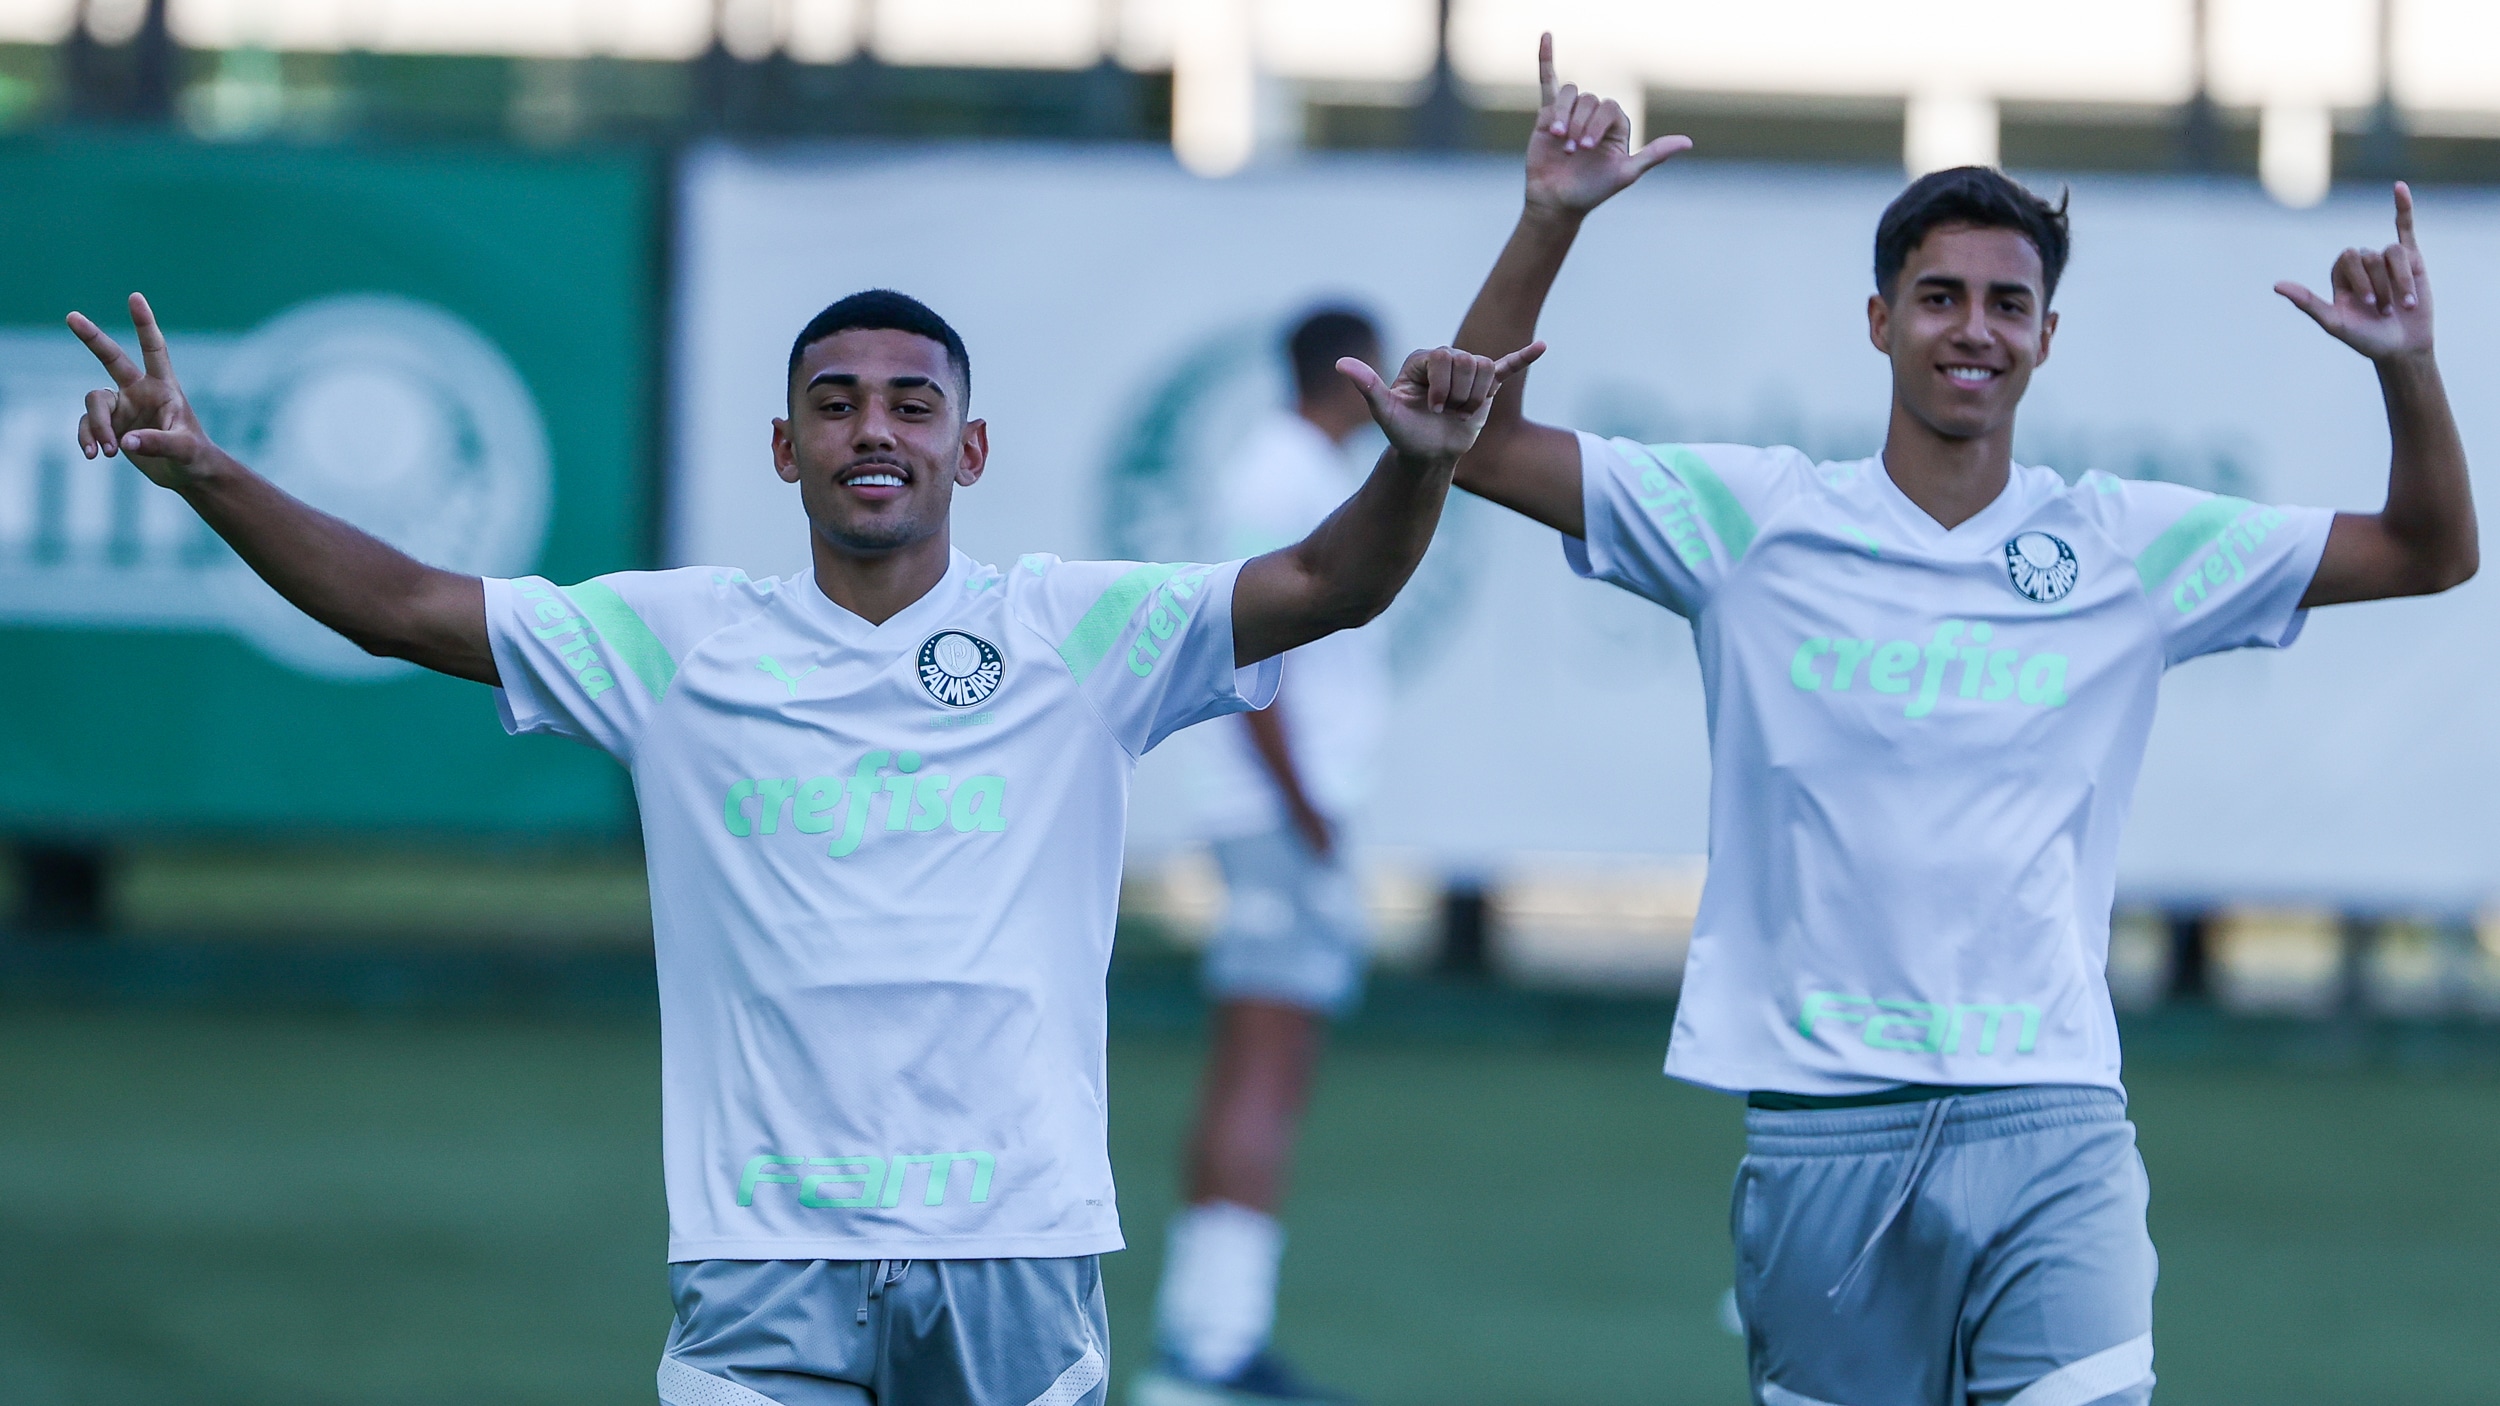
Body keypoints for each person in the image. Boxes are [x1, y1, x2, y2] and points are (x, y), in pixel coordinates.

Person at [66, 286, 1540, 1406]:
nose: (872, 431)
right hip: (762, 1256)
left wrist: (1418, 468)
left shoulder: (1079, 628)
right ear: (785, 447)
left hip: (1015, 1247)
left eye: (910, 404)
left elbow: (1328, 581)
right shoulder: (676, 640)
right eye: (834, 406)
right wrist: (209, 474)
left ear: (968, 446)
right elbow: (404, 605)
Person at [1447, 34, 2473, 1406]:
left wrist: (2407, 366)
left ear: (2047, 335)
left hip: (2053, 1117)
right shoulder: (1751, 521)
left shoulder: (2124, 543)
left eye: (2007, 302)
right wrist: (1548, 218)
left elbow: (2428, 548)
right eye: (1939, 297)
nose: (1973, 328)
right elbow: (1474, 437)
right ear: (1879, 321)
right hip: (1824, 1126)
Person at [1136, 308, 1392, 1406]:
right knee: (1261, 1065)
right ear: (1352, 371)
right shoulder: (1282, 475)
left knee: (1270, 1065)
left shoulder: (1297, 469)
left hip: (1284, 814)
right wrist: (1304, 808)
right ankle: (1210, 1349)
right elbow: (1251, 654)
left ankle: (1211, 1335)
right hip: (1277, 816)